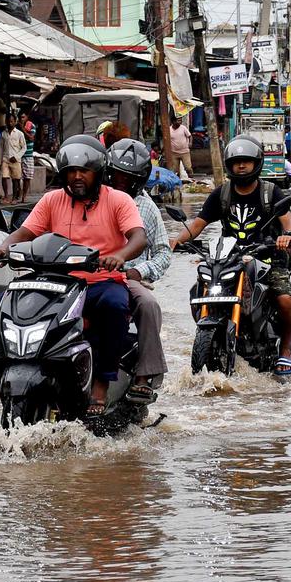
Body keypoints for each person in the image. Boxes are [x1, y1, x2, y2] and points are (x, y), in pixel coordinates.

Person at [0, 137, 148, 414]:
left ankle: (101, 382)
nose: (77, 177)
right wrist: (4, 247)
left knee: (114, 306)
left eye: (84, 171)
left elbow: (138, 237)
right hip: (56, 285)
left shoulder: (118, 200)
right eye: (71, 171)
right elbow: (25, 232)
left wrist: (119, 256)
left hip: (100, 282)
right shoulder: (51, 200)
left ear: (98, 172)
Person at [170, 135, 291, 376]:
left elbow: (288, 221)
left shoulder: (271, 192)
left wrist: (286, 236)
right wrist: (176, 240)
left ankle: (286, 349)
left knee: (284, 300)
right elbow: (198, 224)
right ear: (229, 165)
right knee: (199, 290)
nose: (241, 166)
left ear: (256, 163)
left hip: (268, 257)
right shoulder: (222, 194)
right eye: (237, 161)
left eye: (246, 161)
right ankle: (211, 336)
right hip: (230, 258)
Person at [104, 138, 170, 404]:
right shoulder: (93, 199)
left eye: (127, 178)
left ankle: (144, 376)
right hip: (88, 275)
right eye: (116, 176)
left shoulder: (147, 208)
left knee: (148, 305)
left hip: (126, 278)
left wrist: (138, 271)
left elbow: (163, 253)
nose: (120, 183)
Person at [0, 114, 26, 203]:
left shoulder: (19, 134)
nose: (10, 123)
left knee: (15, 180)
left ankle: (14, 198)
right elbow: (1, 148)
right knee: (4, 177)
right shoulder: (3, 133)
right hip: (5, 159)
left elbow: (24, 148)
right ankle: (6, 196)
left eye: (12, 121)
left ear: (15, 122)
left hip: (16, 160)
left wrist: (17, 157)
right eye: (8, 121)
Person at [18, 110, 36, 203]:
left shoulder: (31, 126)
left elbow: (31, 138)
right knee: (17, 177)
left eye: (23, 117)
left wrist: (22, 129)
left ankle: (24, 196)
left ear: (27, 117)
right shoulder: (16, 127)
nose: (22, 119)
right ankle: (18, 195)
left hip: (28, 155)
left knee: (27, 177)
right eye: (21, 117)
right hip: (18, 155)